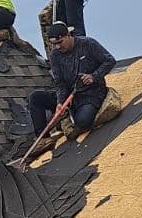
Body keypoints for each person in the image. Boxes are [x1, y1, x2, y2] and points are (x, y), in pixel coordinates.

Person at [25, 24, 116, 156]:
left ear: (68, 35)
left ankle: (70, 118)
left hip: (91, 93)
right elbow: (60, 83)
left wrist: (94, 76)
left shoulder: (88, 44)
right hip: (69, 94)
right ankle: (43, 139)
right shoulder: (55, 55)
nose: (58, 47)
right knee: (35, 97)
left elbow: (109, 61)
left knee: (83, 121)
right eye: (54, 44)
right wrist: (60, 102)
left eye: (60, 42)